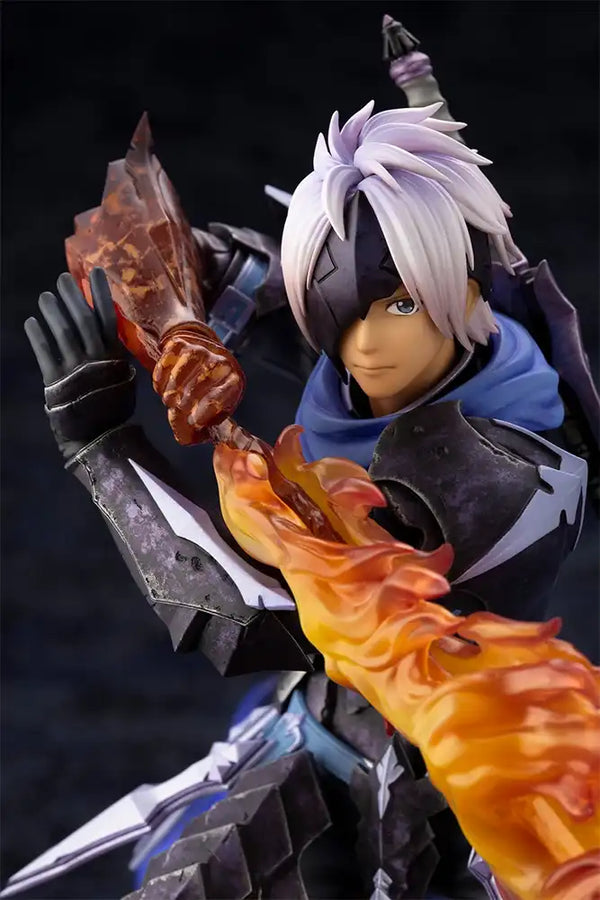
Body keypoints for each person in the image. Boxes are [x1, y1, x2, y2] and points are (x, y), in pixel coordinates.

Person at [6, 16, 597, 900]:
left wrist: (101, 448)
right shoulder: (404, 357)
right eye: (342, 316)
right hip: (318, 730)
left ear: (461, 288)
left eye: (398, 307)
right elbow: (272, 299)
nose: (363, 348)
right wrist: (173, 281)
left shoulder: (484, 468)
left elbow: (271, 612)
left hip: (451, 778)